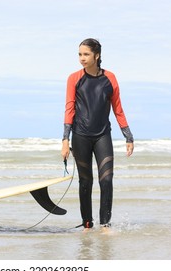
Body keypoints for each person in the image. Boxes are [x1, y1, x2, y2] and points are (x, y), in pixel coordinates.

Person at [61, 38, 134, 230]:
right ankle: (87, 224)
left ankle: (105, 225)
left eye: (86, 54)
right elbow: (69, 109)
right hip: (80, 136)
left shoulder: (110, 78)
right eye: (79, 54)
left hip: (103, 135)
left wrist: (128, 136)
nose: (82, 58)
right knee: (85, 181)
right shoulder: (74, 78)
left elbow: (118, 109)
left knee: (107, 180)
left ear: (97, 55)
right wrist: (64, 140)